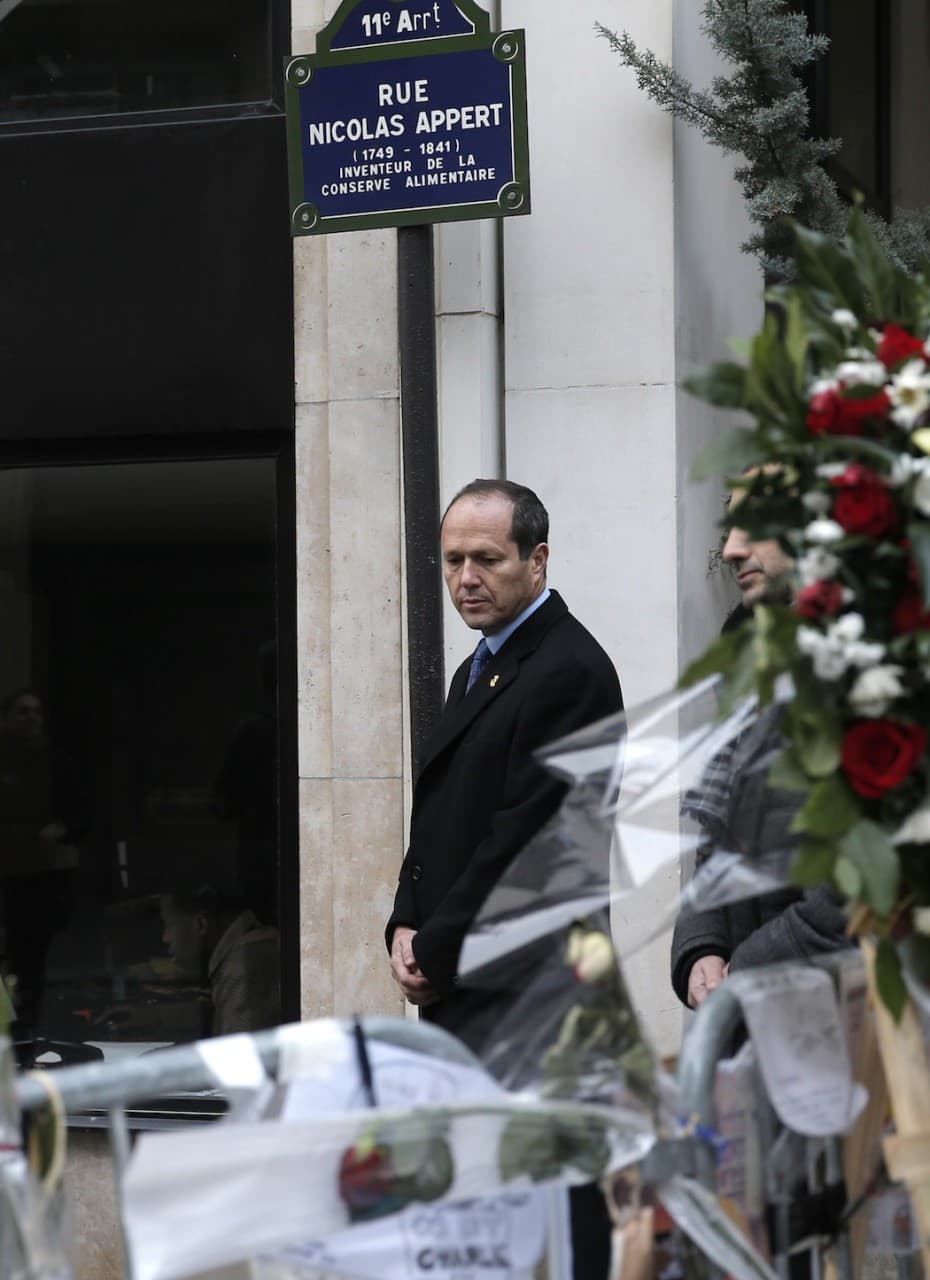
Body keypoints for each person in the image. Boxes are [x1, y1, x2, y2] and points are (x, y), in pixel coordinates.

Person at [385, 479, 623, 1280]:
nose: (465, 579)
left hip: (536, 995)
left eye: (486, 558)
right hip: (473, 982)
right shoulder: (479, 667)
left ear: (538, 559)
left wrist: (436, 945)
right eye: (452, 560)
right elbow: (442, 819)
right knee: (482, 1214)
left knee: (550, 1215)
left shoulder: (570, 669)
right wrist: (403, 919)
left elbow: (524, 838)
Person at [670, 504, 850, 1010]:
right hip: (755, 1022)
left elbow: (847, 900)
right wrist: (701, 945)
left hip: (842, 1023)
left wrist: (744, 970)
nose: (729, 549)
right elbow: (718, 831)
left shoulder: (874, 672)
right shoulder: (751, 648)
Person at [160, 887, 280, 1037]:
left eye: (169, 925)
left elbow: (239, 1055)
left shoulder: (245, 964)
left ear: (200, 925)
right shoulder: (243, 953)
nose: (165, 938)